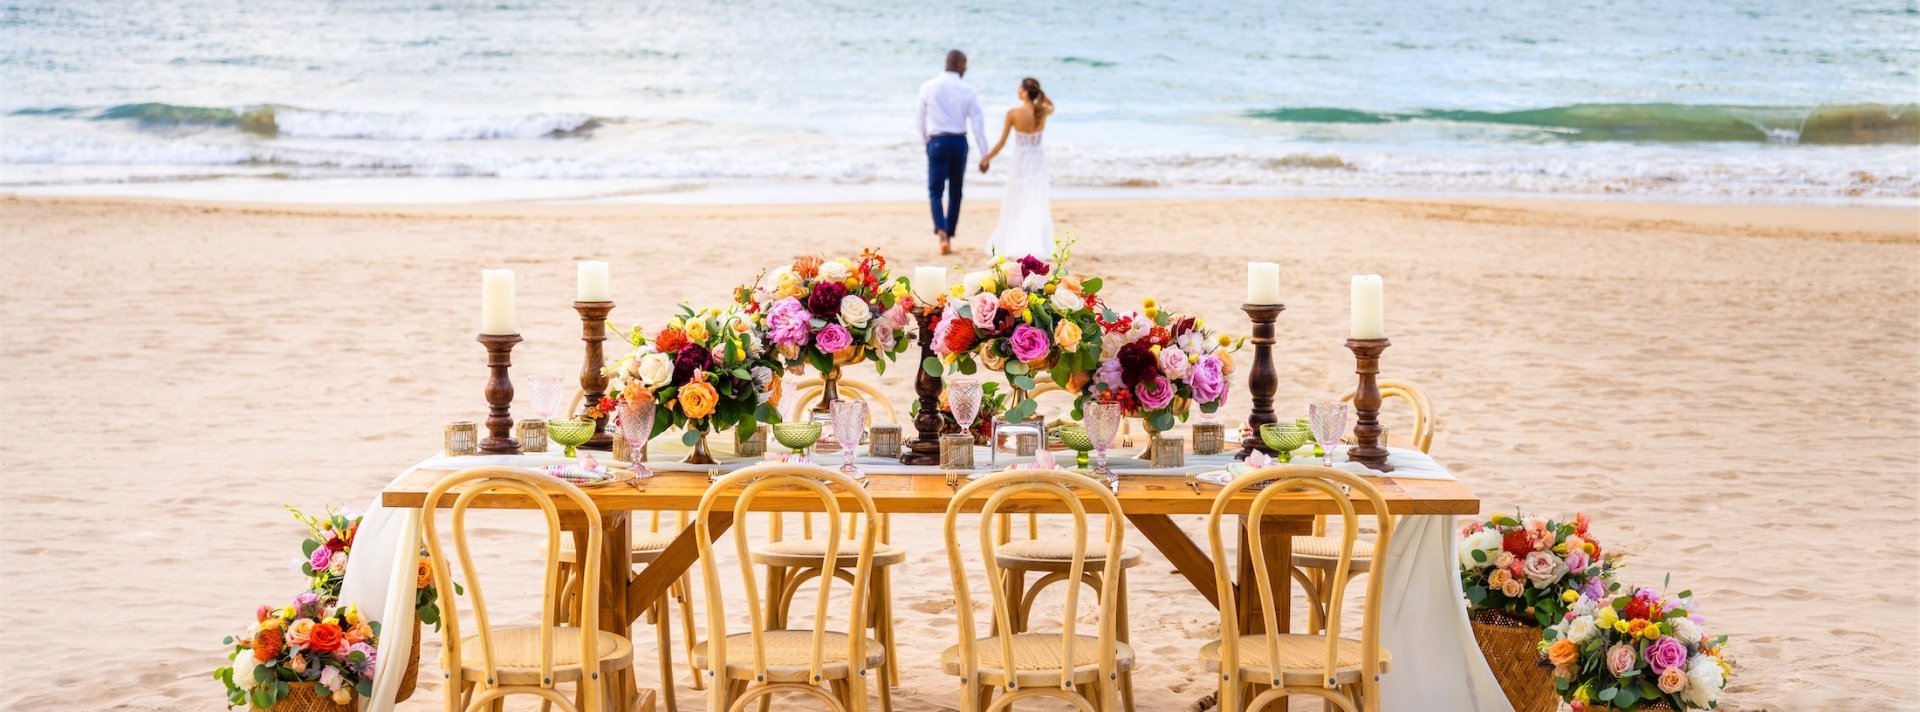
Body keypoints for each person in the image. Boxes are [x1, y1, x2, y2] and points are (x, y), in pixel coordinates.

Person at [916, 49, 987, 255]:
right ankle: (949, 232)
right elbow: (978, 123)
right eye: (965, 64)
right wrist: (985, 154)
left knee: (935, 191)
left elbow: (920, 120)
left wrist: (926, 143)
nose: (966, 68)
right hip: (958, 142)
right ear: (957, 64)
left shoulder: (928, 86)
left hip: (937, 140)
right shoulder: (968, 90)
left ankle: (941, 233)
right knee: (956, 191)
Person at [978, 77, 1056, 259]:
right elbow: (1052, 105)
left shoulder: (1013, 113)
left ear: (1024, 92)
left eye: (1020, 88)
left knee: (1016, 200)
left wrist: (986, 159)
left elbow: (1002, 142)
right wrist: (1040, 95)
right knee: (1035, 200)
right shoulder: (1042, 111)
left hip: (1020, 160)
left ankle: (1016, 240)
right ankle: (1037, 241)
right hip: (1037, 160)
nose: (1017, 90)